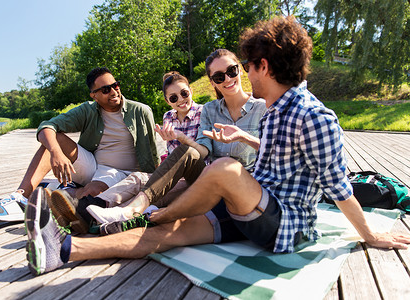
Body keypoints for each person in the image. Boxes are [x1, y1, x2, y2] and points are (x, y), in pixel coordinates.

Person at [24, 16, 410, 277]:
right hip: (248, 207)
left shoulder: (313, 115)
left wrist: (370, 235)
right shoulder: (275, 110)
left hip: (286, 225)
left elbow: (338, 186)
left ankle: (143, 212)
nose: (235, 74)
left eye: (243, 65)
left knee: (224, 171)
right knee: (169, 234)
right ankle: (64, 250)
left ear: (261, 66)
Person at [54, 50, 267, 228]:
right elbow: (203, 151)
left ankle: (105, 212)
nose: (228, 79)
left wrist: (244, 137)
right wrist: (184, 139)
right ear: (212, 82)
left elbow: (275, 152)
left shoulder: (262, 107)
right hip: (206, 177)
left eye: (231, 71)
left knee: (159, 185)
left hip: (243, 185)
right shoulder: (211, 110)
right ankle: (89, 210)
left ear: (240, 68)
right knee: (145, 176)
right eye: (220, 77)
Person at [0, 67, 160, 224]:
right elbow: (46, 126)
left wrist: (159, 181)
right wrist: (56, 153)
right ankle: (21, 197)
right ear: (94, 95)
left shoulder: (141, 111)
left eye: (115, 85)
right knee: (53, 140)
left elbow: (152, 151)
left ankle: (54, 195)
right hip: (93, 165)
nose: (113, 92)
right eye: (105, 90)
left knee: (93, 193)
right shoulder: (87, 110)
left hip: (123, 173)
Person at [49, 71, 204, 231]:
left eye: (184, 93)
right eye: (173, 98)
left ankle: (84, 213)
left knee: (150, 196)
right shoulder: (169, 117)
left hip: (197, 176)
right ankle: (86, 213)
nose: (180, 99)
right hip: (173, 176)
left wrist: (182, 138)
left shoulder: (204, 113)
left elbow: (204, 153)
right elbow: (165, 154)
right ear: (167, 101)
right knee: (137, 179)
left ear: (191, 91)